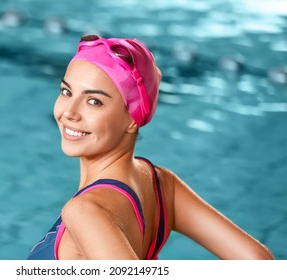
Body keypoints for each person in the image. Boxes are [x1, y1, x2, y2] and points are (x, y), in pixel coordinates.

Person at [27, 34, 274, 260]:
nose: (69, 113)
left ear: (133, 118)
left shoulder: (85, 212)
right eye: (66, 92)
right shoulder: (162, 185)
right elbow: (257, 260)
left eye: (94, 101)